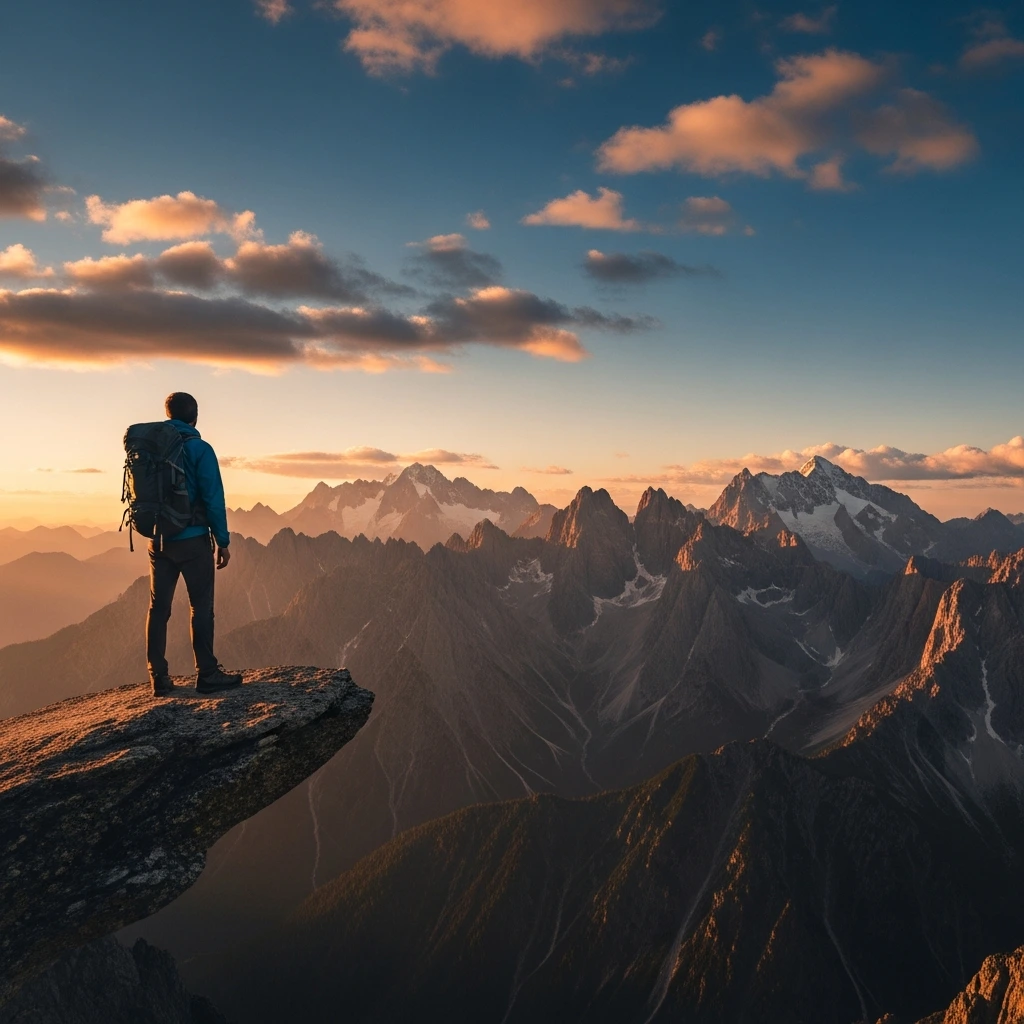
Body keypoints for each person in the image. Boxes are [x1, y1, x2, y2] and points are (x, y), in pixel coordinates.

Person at [147, 392, 243, 696]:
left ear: (167, 414)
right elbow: (214, 498)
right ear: (195, 417)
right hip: (192, 541)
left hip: (158, 540)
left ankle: (158, 677)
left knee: (158, 607)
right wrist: (223, 541)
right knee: (200, 607)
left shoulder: (150, 449)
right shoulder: (200, 449)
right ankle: (207, 674)